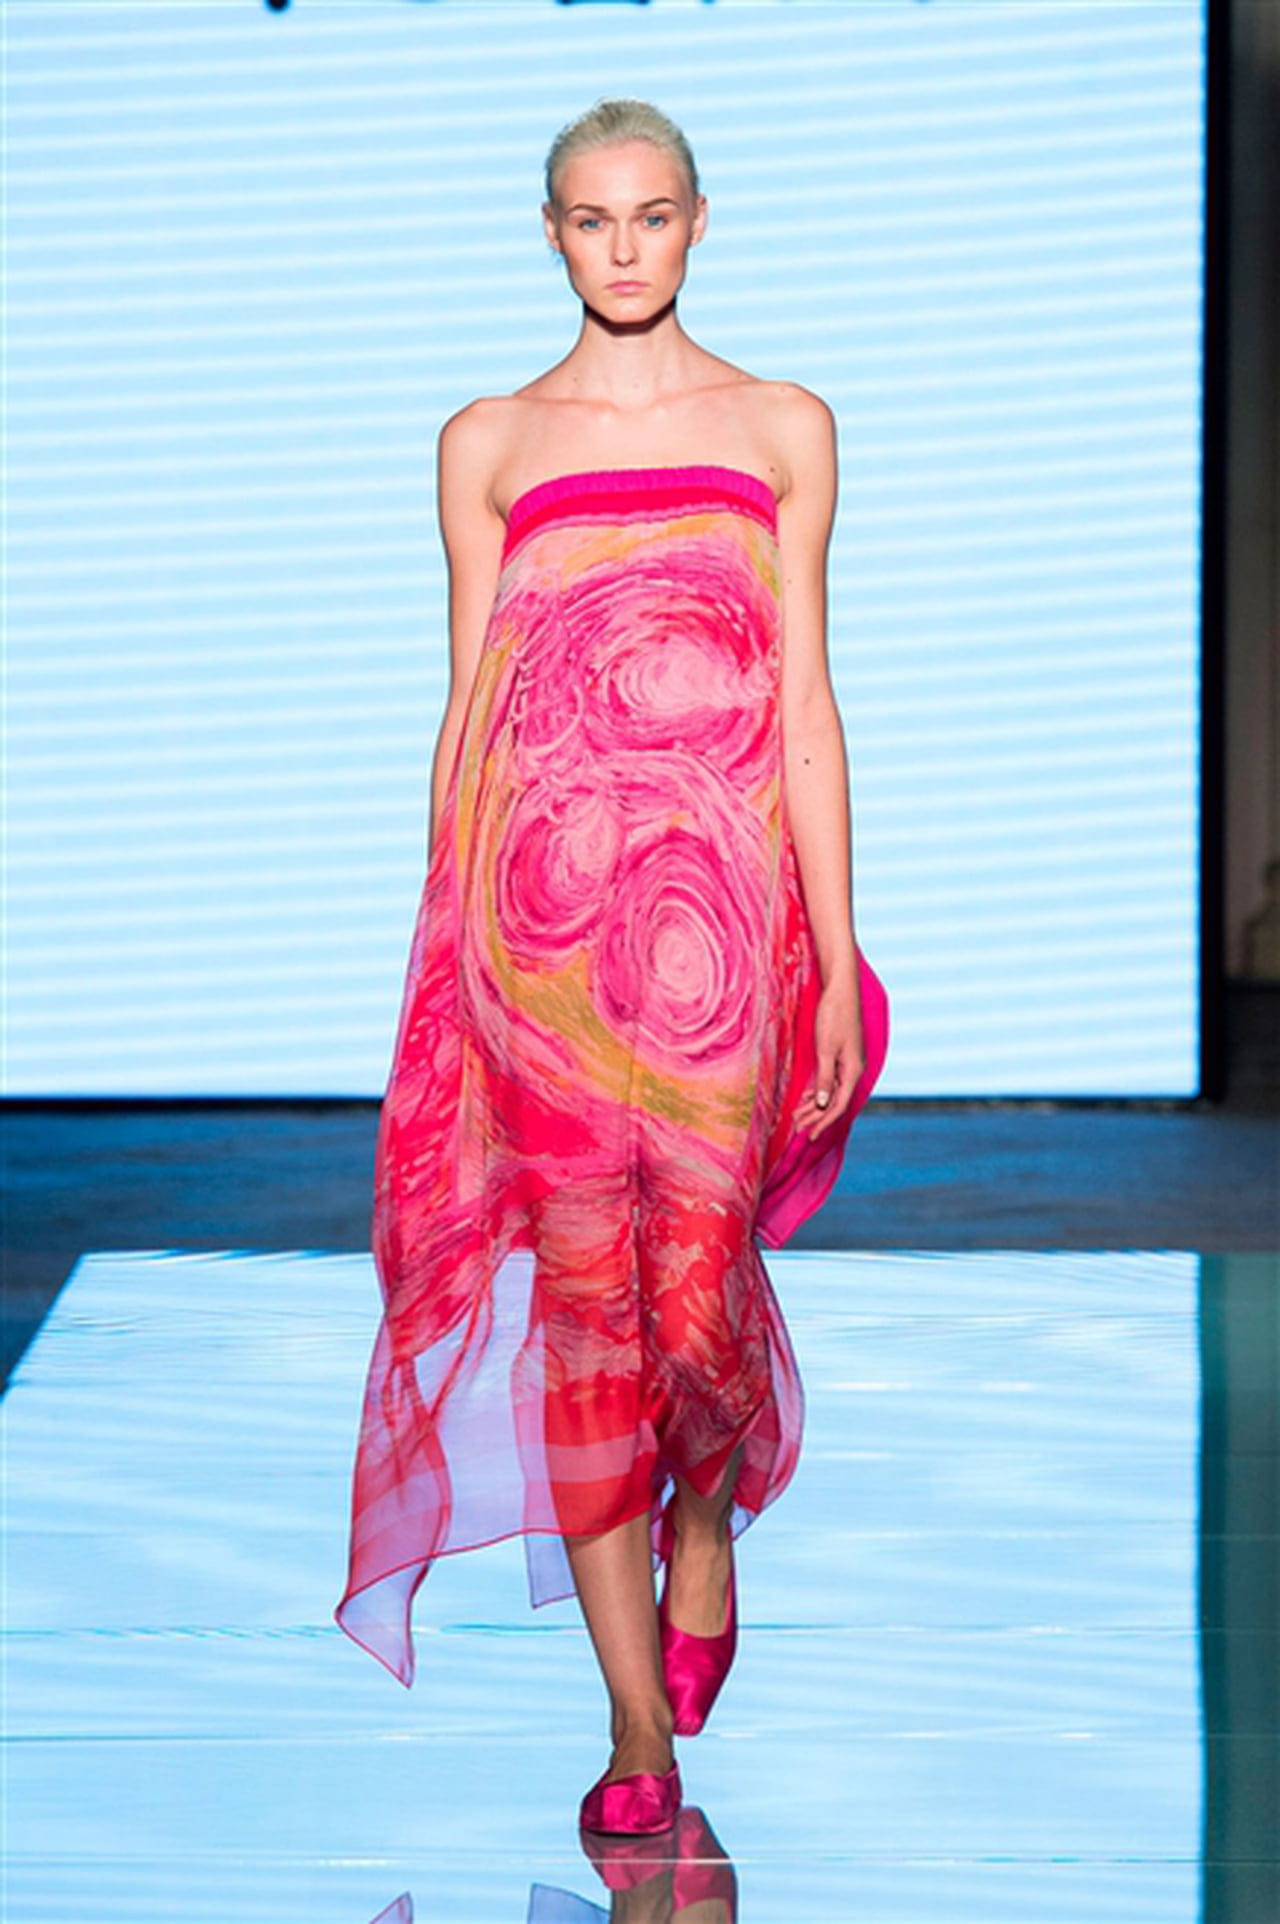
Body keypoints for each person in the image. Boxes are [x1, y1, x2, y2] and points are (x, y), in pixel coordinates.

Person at [334, 96, 890, 1838]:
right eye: (594, 218)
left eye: (653, 214)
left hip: (727, 945)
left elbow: (807, 704)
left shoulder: (783, 425)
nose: (626, 245)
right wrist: (443, 966)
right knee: (585, 1317)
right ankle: (635, 1728)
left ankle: (701, 1522)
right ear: (553, 234)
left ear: (700, 222)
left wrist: (833, 953)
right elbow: (467, 711)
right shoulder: (488, 441)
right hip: (538, 952)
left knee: (700, 1303)